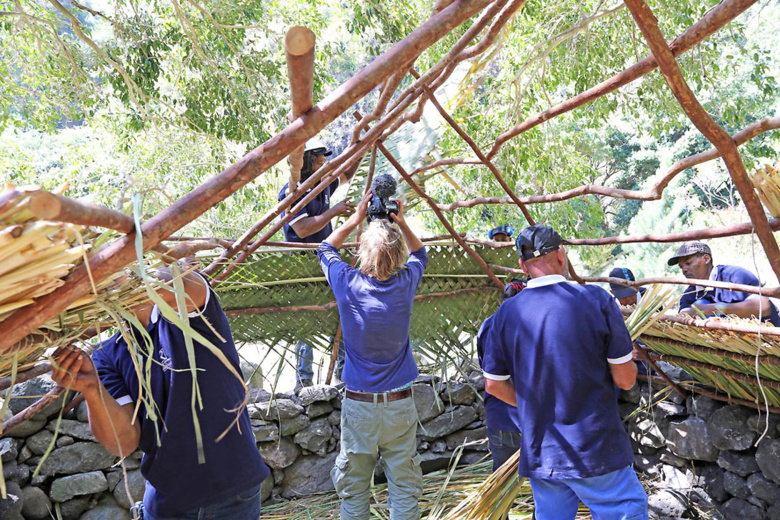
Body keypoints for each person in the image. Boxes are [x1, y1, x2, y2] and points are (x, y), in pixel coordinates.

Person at [51, 266, 269, 519]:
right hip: (166, 502)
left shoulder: (187, 314)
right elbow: (123, 442)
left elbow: (186, 285)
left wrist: (117, 269)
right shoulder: (106, 354)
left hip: (232, 493)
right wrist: (91, 388)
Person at [482, 225, 648, 520]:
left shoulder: (506, 314)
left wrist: (536, 406)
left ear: (522, 265)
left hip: (542, 452)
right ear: (562, 254)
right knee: (623, 510)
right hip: (595, 450)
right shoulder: (596, 300)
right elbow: (625, 380)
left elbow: (494, 386)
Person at [318, 190, 426, 520]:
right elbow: (421, 254)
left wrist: (352, 219)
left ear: (363, 251)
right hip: (399, 406)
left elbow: (325, 248)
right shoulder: (406, 283)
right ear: (398, 255)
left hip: (360, 407)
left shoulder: (347, 283)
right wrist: (402, 222)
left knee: (354, 493)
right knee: (404, 490)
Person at [279, 137, 358, 389]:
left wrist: (361, 145)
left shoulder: (322, 184)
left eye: (326, 162)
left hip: (326, 260)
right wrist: (334, 212)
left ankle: (344, 372)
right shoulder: (292, 193)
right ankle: (304, 381)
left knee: (342, 309)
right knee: (306, 319)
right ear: (306, 163)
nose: (325, 166)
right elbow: (302, 229)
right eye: (320, 161)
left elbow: (346, 173)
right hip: (302, 265)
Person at [667, 241, 780, 326]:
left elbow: (763, 306)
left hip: (769, 340)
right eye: (681, 267)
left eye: (688, 262)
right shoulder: (690, 293)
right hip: (732, 350)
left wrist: (718, 308)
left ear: (706, 259)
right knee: (700, 303)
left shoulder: (734, 275)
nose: (684, 270)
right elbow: (683, 314)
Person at [476, 280, 525, 473]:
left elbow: (488, 371)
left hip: (498, 419)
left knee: (502, 485)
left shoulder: (487, 326)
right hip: (527, 419)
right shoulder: (529, 326)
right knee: (544, 485)